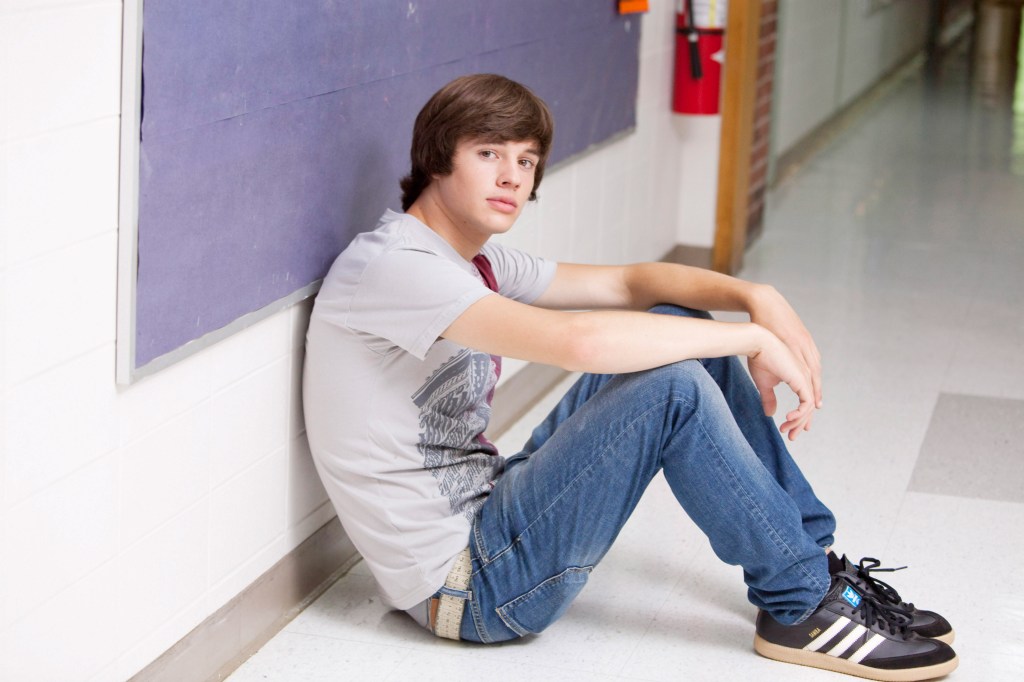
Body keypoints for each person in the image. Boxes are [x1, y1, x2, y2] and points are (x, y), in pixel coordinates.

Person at [303, 74, 958, 681]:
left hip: (493, 507)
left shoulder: (475, 259)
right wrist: (752, 337)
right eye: (488, 154)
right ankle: (799, 603)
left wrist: (757, 295)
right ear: (437, 156)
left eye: (526, 161)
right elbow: (578, 341)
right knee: (671, 389)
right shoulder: (397, 268)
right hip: (470, 587)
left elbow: (629, 284)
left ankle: (812, 572)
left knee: (677, 323)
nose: (512, 177)